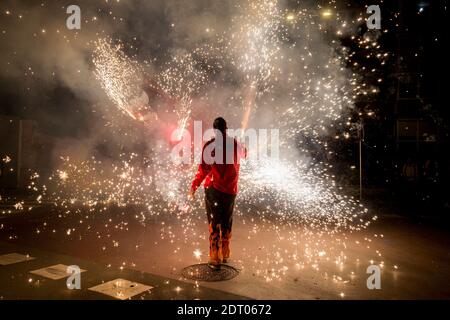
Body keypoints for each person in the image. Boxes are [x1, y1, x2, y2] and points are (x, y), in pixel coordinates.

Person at [189, 117, 247, 270]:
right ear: (226, 128)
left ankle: (215, 258)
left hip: (214, 190)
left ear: (214, 130)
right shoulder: (235, 143)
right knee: (227, 221)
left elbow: (203, 169)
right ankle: (225, 253)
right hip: (230, 190)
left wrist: (194, 186)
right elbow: (244, 154)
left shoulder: (210, 146)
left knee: (214, 223)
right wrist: (242, 146)